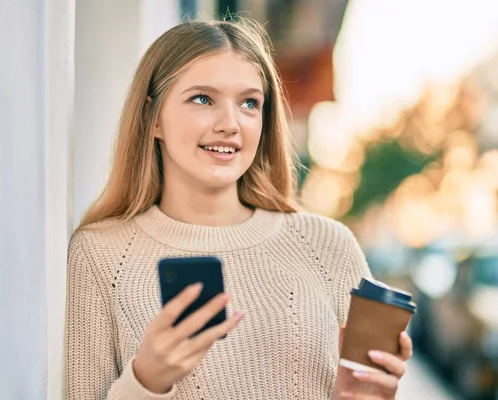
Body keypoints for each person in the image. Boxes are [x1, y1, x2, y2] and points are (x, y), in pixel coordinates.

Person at [64, 17, 412, 400]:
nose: (230, 124)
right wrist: (145, 381)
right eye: (203, 99)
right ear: (153, 118)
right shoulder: (99, 255)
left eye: (249, 103)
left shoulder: (327, 245)